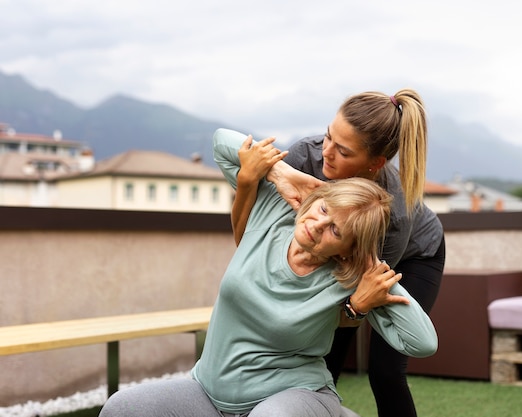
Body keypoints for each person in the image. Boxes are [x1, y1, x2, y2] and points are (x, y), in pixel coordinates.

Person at [98, 128, 438, 417]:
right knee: (121, 408)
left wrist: (363, 272)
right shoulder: (275, 211)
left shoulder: (349, 274)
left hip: (293, 398)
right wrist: (282, 173)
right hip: (208, 392)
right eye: (322, 208)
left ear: (349, 250)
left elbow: (423, 343)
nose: (317, 225)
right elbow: (222, 142)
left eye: (335, 230)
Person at [232, 89, 446, 417]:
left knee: (383, 368)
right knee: (317, 356)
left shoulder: (393, 217)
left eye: (343, 151)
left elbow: (354, 292)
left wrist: (350, 308)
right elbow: (258, 233)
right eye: (328, 137)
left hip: (414, 256)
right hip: (335, 251)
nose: (326, 154)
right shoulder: (307, 154)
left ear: (375, 163)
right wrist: (280, 172)